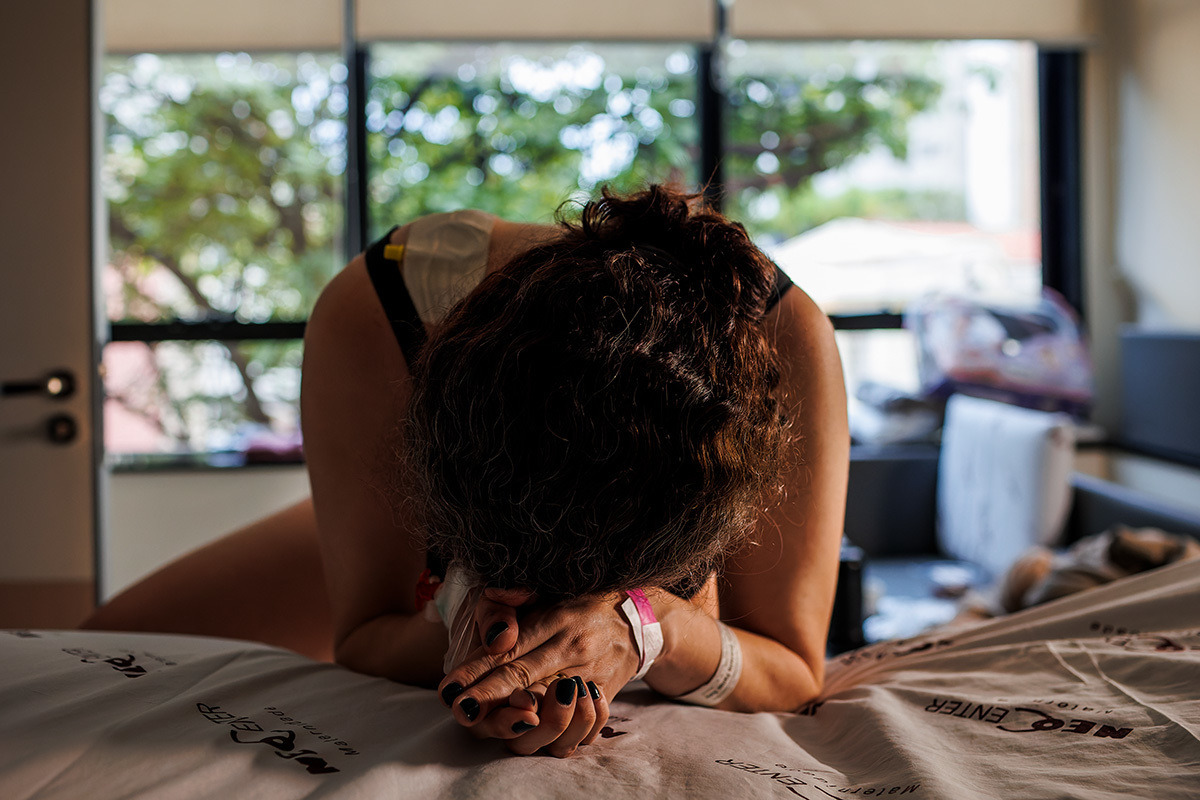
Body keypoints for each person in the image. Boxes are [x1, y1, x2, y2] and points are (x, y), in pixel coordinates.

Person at [83, 185, 849, 758]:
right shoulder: (377, 309)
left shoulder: (786, 338)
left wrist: (647, 627)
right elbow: (364, 632)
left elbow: (791, 666)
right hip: (422, 533)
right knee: (99, 657)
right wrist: (460, 621)